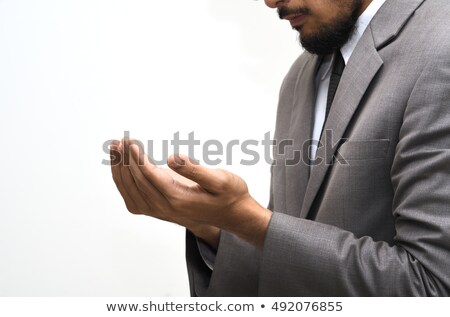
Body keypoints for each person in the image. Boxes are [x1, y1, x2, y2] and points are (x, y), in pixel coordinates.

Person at [110, 0, 450, 296]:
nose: (271, 2)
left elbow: (433, 289)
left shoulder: (441, 44)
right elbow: (293, 263)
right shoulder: (302, 76)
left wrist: (252, 222)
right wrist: (214, 226)